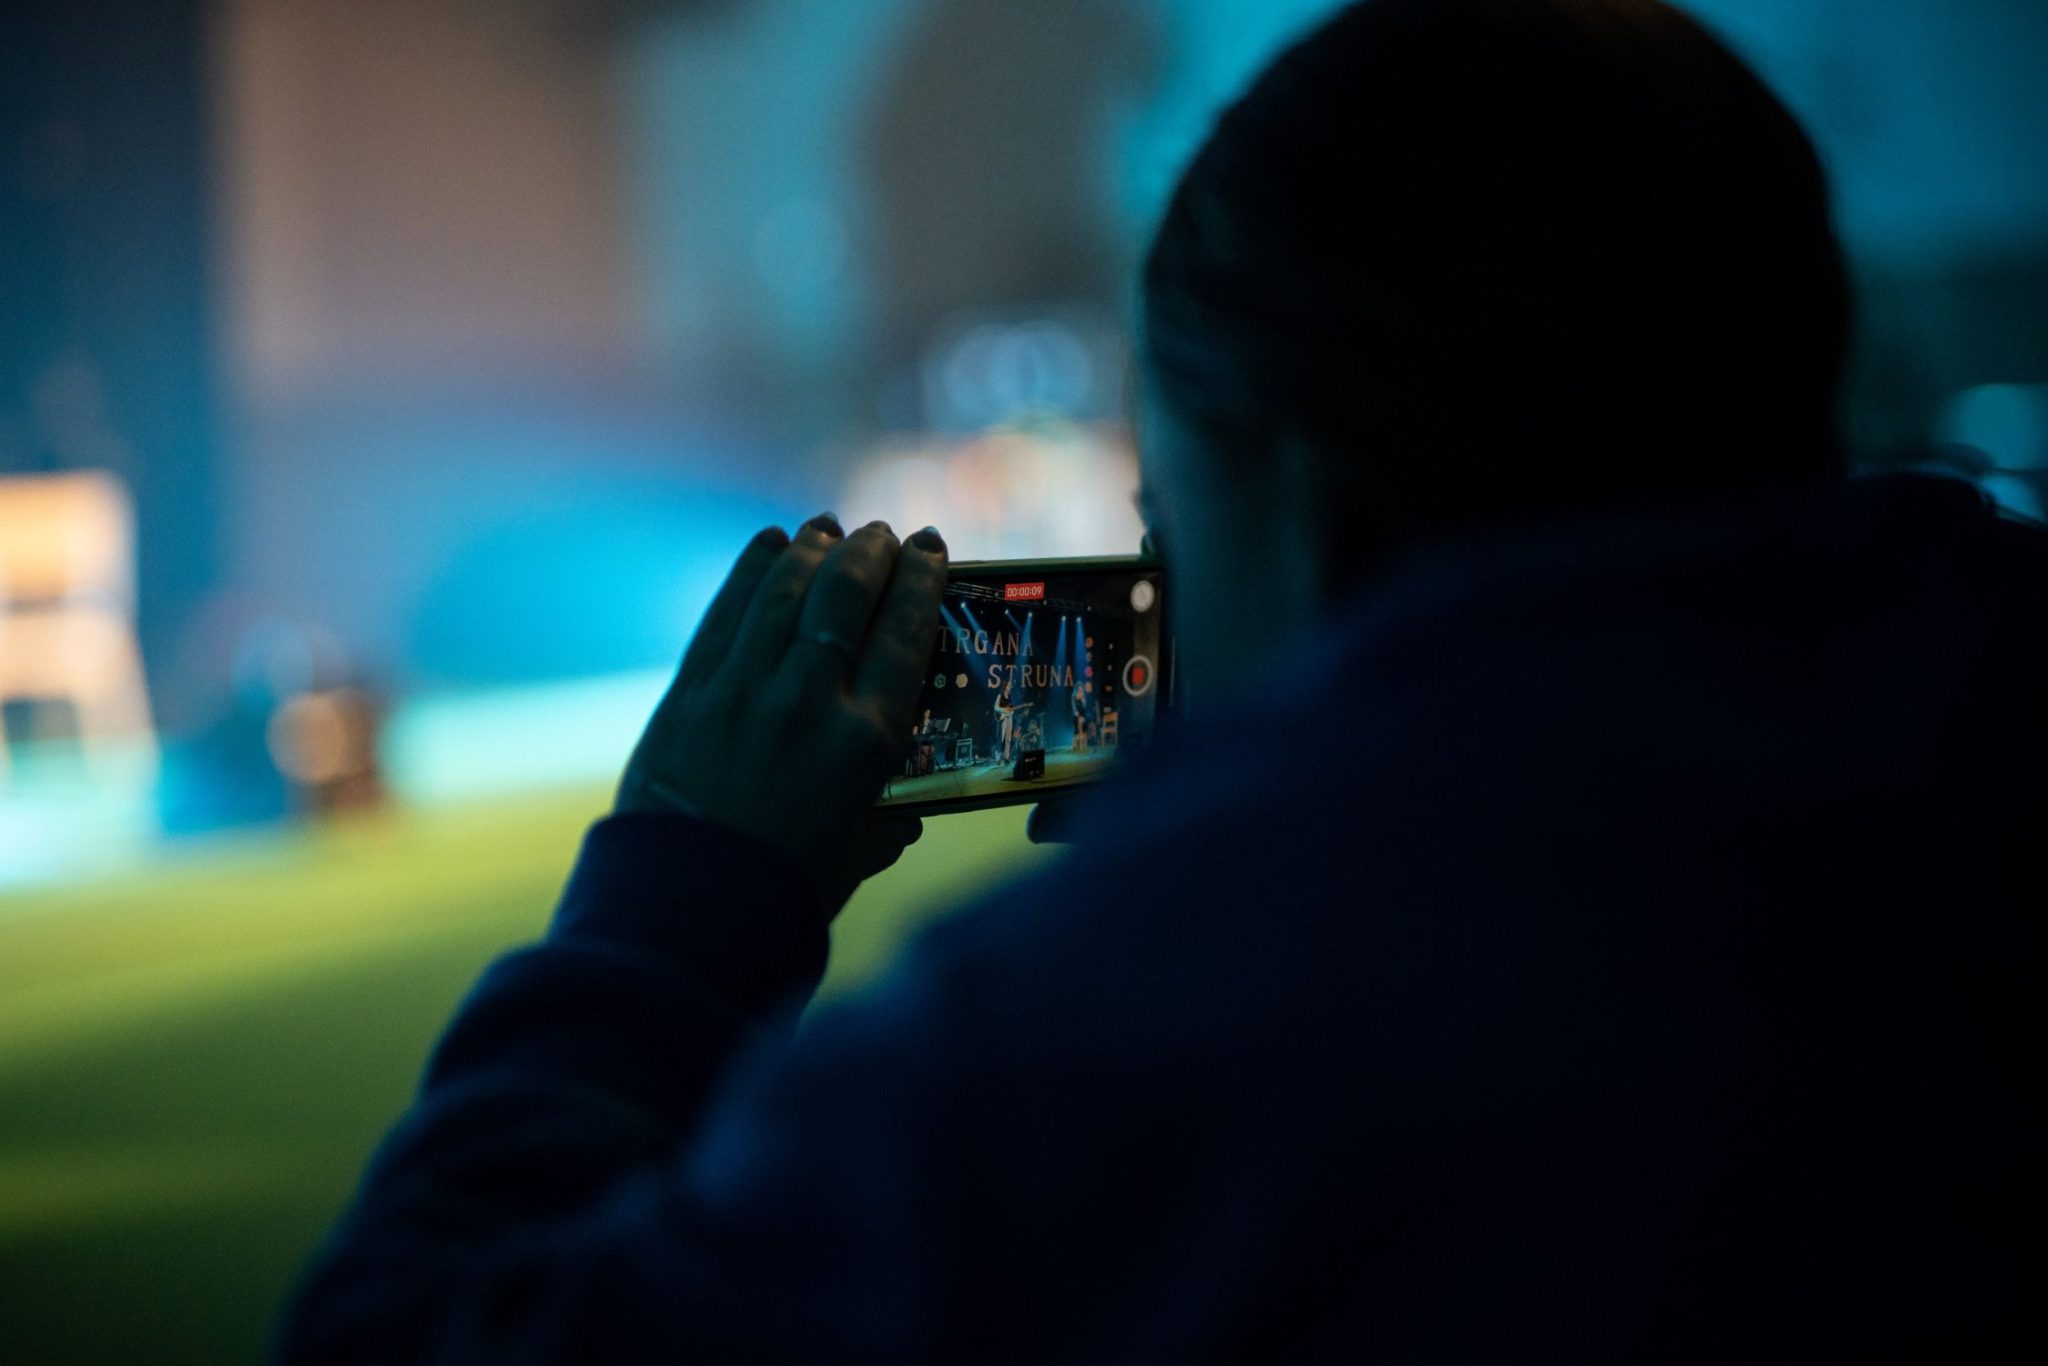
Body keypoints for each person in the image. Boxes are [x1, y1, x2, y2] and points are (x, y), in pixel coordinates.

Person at [278, 2, 2041, 1361]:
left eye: (1164, 526)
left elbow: (409, 1334)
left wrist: (675, 898)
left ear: (1286, 492)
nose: (1150, 599)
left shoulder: (1139, 1019)